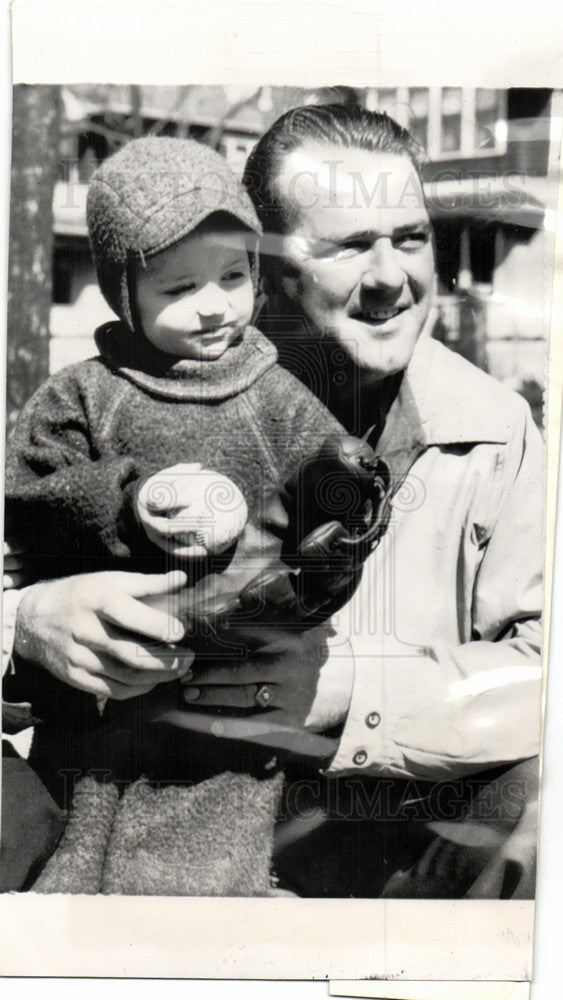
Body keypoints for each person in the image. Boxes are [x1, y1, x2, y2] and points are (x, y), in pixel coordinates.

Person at [3, 107, 544, 897]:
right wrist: (29, 627)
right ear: (268, 263)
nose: (392, 276)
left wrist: (349, 692)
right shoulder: (113, 394)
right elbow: (30, 517)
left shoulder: (494, 431)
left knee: (542, 798)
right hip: (128, 800)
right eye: (348, 245)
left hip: (373, 843)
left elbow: (543, 677)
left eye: (411, 237)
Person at [3, 134, 347, 812]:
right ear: (123, 294)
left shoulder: (276, 395)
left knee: (217, 835)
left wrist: (341, 515)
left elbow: (330, 493)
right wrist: (128, 501)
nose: (215, 304)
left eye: (232, 276)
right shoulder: (85, 394)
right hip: (97, 685)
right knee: (75, 827)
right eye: (180, 287)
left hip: (235, 696)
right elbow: (30, 493)